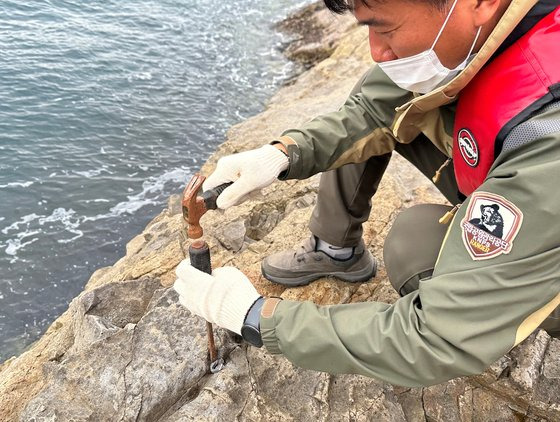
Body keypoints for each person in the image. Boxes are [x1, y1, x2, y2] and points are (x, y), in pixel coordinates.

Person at [173, 0, 560, 387]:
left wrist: (256, 316)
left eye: (385, 29)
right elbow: (373, 110)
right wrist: (283, 155)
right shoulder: (491, 31)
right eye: (366, 29)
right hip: (511, 173)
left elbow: (433, 338)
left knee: (415, 245)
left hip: (544, 225)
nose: (376, 50)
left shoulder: (548, 139)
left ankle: (503, 306)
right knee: (398, 91)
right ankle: (334, 250)